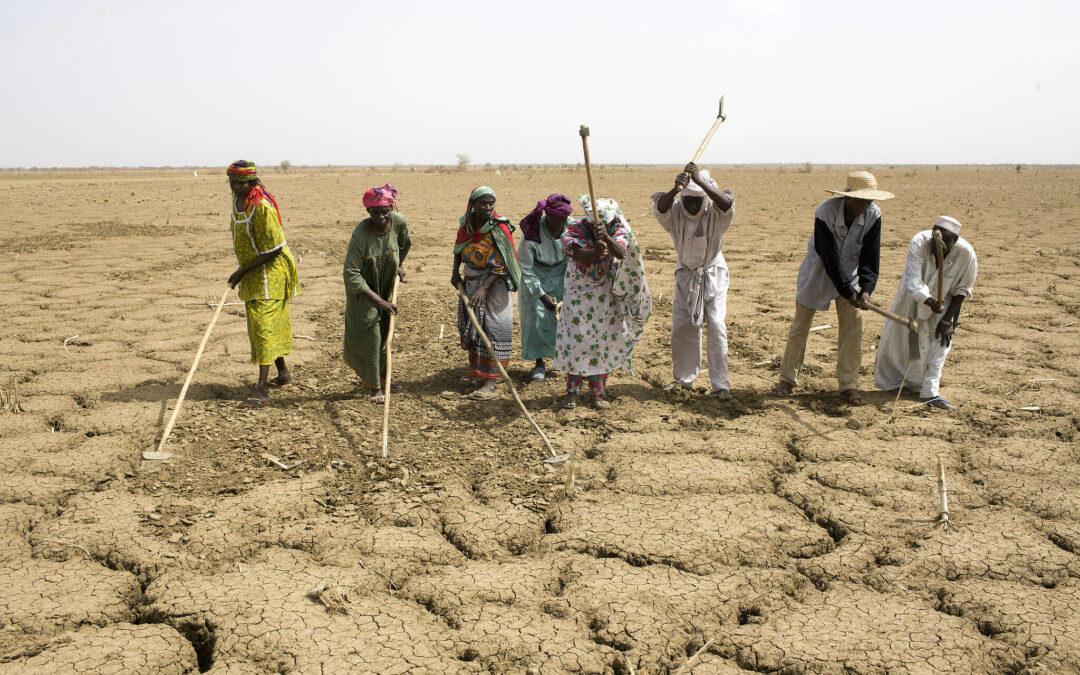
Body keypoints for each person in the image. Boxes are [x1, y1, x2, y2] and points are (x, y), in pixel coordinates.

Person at [770, 171, 892, 406]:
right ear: (848, 197)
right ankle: (787, 379)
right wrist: (848, 292)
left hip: (851, 276)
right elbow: (829, 257)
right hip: (817, 272)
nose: (865, 206)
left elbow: (871, 256)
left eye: (869, 201)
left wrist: (866, 290)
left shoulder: (873, 215)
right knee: (800, 326)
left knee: (853, 328)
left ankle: (848, 384)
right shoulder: (825, 212)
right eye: (861, 200)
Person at [553, 196, 652, 409]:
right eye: (596, 225)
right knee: (576, 338)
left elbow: (621, 252)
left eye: (605, 224)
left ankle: (597, 393)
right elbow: (577, 253)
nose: (599, 226)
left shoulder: (616, 227)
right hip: (578, 288)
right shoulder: (576, 228)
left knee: (602, 339)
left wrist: (606, 236)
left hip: (604, 289)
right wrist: (594, 252)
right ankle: (572, 392)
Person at [873, 216, 977, 410]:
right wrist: (928, 301)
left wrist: (947, 320)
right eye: (935, 243)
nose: (937, 248)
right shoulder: (919, 242)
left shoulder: (966, 253)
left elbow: (963, 289)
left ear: (954, 241)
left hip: (946, 302)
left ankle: (930, 391)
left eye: (944, 243)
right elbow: (912, 280)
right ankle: (898, 383)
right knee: (905, 339)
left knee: (940, 343)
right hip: (912, 298)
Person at [652, 162, 735, 398]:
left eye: (696, 201)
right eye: (687, 200)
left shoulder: (715, 212)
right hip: (685, 277)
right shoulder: (676, 211)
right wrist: (675, 188)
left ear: (705, 199)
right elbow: (660, 208)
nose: (691, 205)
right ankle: (684, 379)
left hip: (713, 275)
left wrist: (700, 182)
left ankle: (720, 385)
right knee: (683, 327)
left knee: (716, 326)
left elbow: (727, 205)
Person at [225, 160, 300, 409]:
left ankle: (261, 390)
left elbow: (274, 249)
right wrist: (244, 270)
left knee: (263, 326)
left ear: (252, 182)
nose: (236, 187)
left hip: (271, 273)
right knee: (264, 325)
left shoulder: (261, 207)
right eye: (233, 182)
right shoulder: (239, 203)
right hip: (254, 272)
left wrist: (242, 271)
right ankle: (283, 374)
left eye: (241, 183)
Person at [451, 186, 521, 400]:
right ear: (473, 204)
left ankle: (490, 383)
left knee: (493, 328)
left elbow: (506, 262)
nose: (488, 207)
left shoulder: (499, 228)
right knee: (474, 326)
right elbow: (458, 248)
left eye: (491, 203)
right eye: (483, 203)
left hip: (495, 284)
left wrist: (484, 287)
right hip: (471, 281)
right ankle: (480, 374)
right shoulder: (466, 224)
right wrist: (455, 272)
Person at [343, 184, 411, 403]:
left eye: (385, 212)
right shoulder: (360, 234)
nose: (380, 217)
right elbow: (351, 274)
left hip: (387, 286)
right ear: (368, 212)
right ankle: (374, 387)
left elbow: (404, 244)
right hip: (364, 292)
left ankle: (383, 376)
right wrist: (379, 301)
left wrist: (398, 265)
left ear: (391, 209)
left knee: (385, 333)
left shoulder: (398, 222)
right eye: (375, 213)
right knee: (372, 335)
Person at [518, 194, 573, 381]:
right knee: (537, 318)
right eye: (556, 220)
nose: (560, 225)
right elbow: (525, 267)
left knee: (565, 319)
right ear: (547, 216)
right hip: (536, 277)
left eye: (563, 220)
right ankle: (539, 363)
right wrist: (541, 295)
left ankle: (565, 360)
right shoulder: (532, 232)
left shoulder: (571, 226)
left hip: (562, 275)